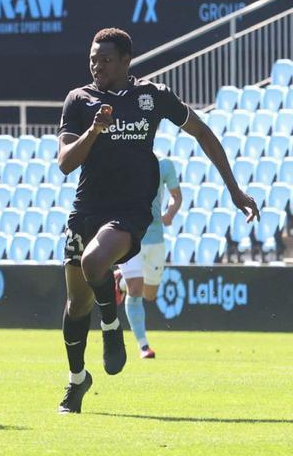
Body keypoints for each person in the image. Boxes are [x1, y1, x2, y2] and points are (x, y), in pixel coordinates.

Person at [55, 28, 259, 414]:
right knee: (76, 304)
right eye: (93, 58)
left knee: (95, 263)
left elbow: (203, 132)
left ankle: (112, 325)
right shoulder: (78, 101)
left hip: (129, 211)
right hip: (85, 209)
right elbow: (66, 163)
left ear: (126, 61)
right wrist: (94, 130)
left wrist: (233, 189)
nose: (96, 65)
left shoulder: (153, 97)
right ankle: (77, 379)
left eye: (106, 59)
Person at [114, 155, 182, 359]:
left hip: (155, 237)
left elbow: (176, 196)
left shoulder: (164, 165)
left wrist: (170, 213)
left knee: (149, 294)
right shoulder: (124, 163)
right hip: (131, 235)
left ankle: (121, 282)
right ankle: (143, 346)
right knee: (136, 290)